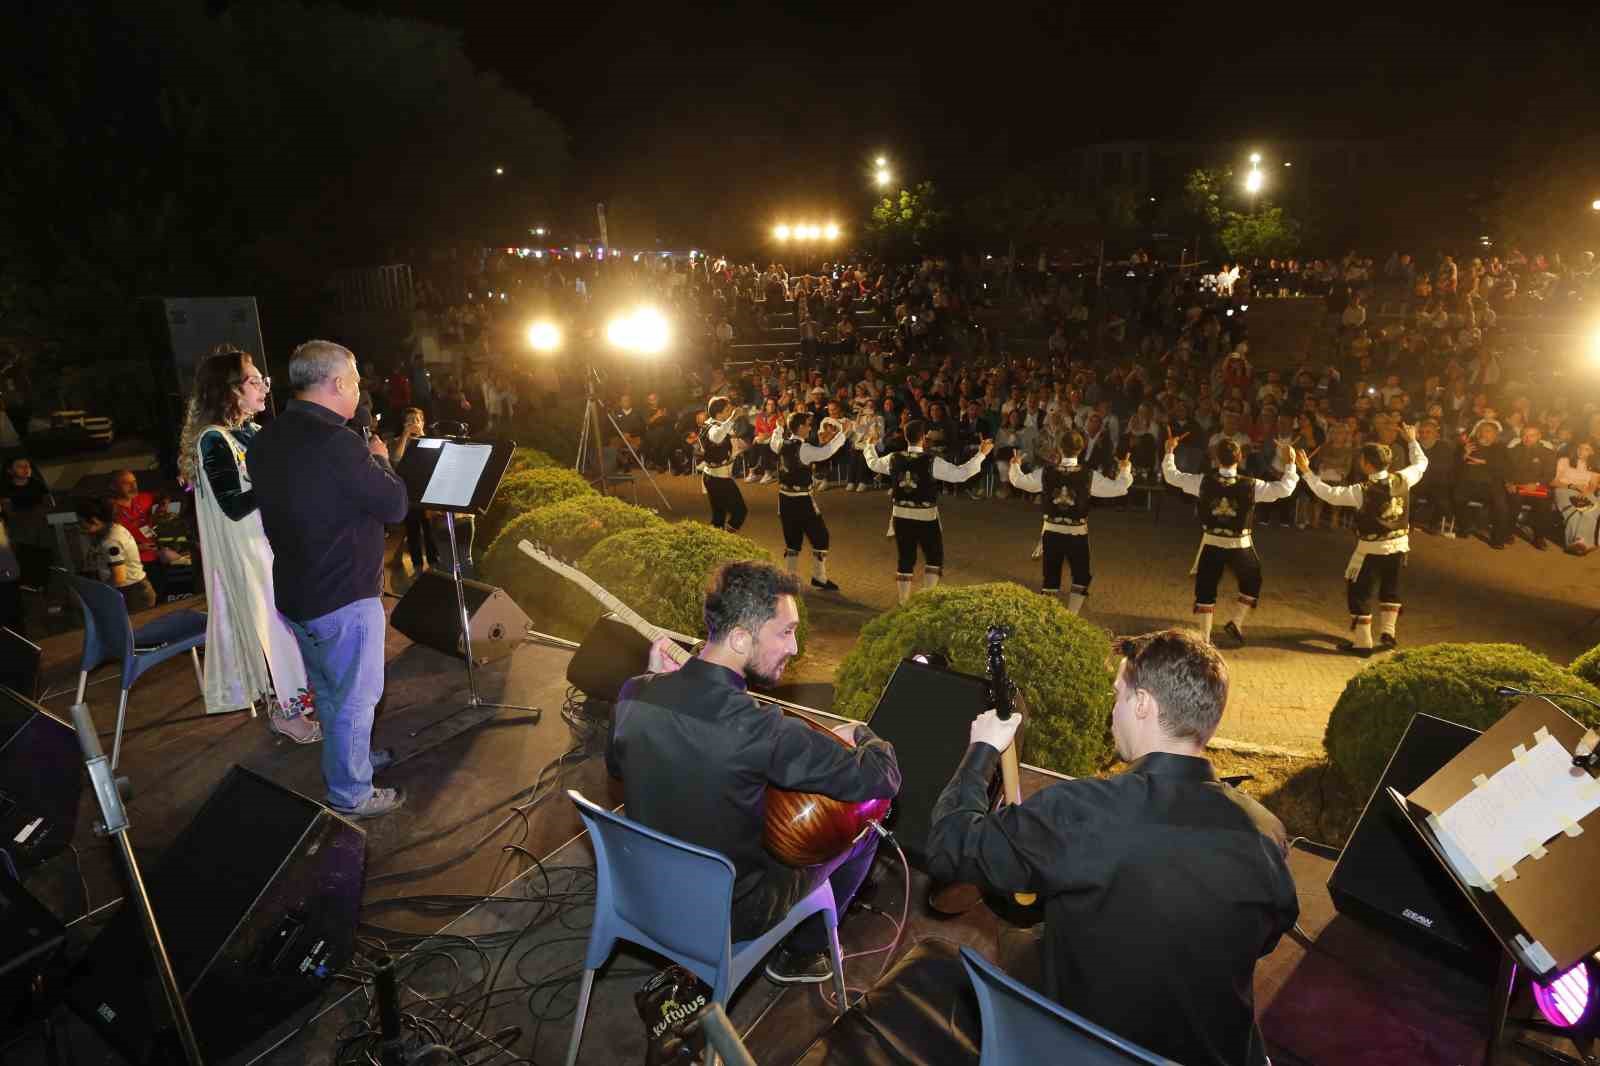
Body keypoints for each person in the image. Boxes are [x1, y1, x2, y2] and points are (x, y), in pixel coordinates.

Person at [925, 629, 1296, 1066]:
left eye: (1117, 694)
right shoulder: (1265, 831)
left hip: (1089, 1050)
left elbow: (949, 843)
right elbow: (1267, 936)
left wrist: (982, 748)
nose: (1113, 709)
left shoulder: (1082, 811)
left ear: (1142, 704)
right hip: (1214, 1053)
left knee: (1014, 944)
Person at [607, 561, 900, 983]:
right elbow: (881, 777)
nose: (795, 648)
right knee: (865, 829)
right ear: (741, 638)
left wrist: (653, 677)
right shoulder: (760, 728)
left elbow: (618, 767)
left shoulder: (635, 692)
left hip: (641, 888)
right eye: (786, 632)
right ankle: (801, 955)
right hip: (730, 913)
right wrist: (863, 733)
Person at [248, 340, 409, 817]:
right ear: (339, 383)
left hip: (298, 593)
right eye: (356, 379)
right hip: (342, 595)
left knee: (333, 692)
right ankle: (351, 792)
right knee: (357, 698)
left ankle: (350, 759)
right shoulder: (338, 442)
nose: (359, 389)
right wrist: (379, 458)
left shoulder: (268, 438)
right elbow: (395, 505)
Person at [177, 348, 321, 740]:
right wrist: (276, 479)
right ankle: (288, 714)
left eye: (262, 379)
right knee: (272, 634)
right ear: (230, 392)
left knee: (292, 629)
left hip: (275, 546)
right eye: (254, 381)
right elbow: (235, 505)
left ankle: (296, 706)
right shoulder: (214, 441)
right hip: (251, 554)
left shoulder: (254, 432)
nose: (263, 387)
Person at [1295, 425, 1427, 656]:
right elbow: (1422, 464)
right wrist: (1413, 441)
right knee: (1390, 588)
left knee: (1359, 591)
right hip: (1399, 546)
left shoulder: (1362, 490)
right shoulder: (1403, 478)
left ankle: (1363, 643)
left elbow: (1328, 494)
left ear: (1366, 463)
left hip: (1371, 549)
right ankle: (1388, 633)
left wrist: (1306, 471)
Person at [1162, 434, 1298, 646]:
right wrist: (1290, 463)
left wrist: (1170, 451)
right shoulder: (1252, 485)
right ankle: (1236, 622)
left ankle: (1205, 640)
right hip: (1240, 545)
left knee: (1206, 589)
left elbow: (1172, 476)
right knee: (1252, 582)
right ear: (1240, 457)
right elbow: (1285, 489)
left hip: (1212, 542)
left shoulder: (1203, 481)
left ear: (1216, 458)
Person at [862, 419, 993, 603]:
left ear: (906, 437)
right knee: (934, 557)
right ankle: (927, 597)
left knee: (905, 558)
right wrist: (981, 454)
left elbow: (872, 463)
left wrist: (869, 445)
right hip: (926, 517)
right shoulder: (931, 461)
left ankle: (903, 603)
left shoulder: (893, 458)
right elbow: (960, 474)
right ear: (924, 438)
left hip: (900, 516)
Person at [1005, 429, 1132, 614]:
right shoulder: (1088, 475)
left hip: (1052, 531)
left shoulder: (1046, 472)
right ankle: (1071, 616)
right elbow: (1119, 488)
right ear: (1081, 449)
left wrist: (1015, 465)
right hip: (1076, 532)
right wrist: (1125, 469)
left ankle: (1048, 618)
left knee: (1051, 577)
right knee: (1081, 575)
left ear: (1059, 448)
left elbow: (1019, 481)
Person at [769, 411, 851, 592]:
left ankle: (790, 580)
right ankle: (819, 578)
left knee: (792, 540)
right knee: (821, 537)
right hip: (802, 500)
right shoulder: (803, 448)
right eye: (807, 424)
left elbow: (773, 442)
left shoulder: (781, 443)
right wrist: (842, 434)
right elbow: (826, 452)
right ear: (799, 427)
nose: (810, 427)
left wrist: (778, 428)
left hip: (784, 499)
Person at [75, 497, 156, 612]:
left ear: (94, 520)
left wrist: (99, 591)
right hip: (136, 590)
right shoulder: (114, 528)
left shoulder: (111, 541)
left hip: (132, 594)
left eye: (82, 522)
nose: (80, 526)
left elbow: (119, 578)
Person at [387, 407, 438, 576]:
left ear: (423, 422)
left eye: (417, 420)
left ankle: (434, 564)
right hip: (408, 493)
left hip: (427, 493)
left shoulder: (428, 440)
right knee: (413, 530)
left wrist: (421, 434)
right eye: (410, 420)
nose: (414, 424)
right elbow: (395, 458)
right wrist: (405, 436)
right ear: (403, 424)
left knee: (430, 530)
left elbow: (433, 458)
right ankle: (417, 566)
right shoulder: (397, 441)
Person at [1449, 419, 1510, 547]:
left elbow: (1505, 468)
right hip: (1468, 483)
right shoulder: (1468, 445)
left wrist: (1485, 463)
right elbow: (1454, 466)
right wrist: (1464, 455)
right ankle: (1464, 527)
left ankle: (1497, 538)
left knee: (1501, 505)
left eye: (1488, 431)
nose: (1484, 434)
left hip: (1491, 485)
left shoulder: (1501, 448)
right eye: (1481, 431)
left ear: (1495, 435)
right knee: (1457, 497)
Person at [1, 457, 54, 593]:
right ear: (10, 470)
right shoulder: (5, 488)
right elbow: (9, 510)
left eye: (28, 466)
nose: (26, 469)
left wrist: (37, 513)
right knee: (25, 545)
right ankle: (29, 581)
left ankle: (42, 581)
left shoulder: (37, 484)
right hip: (19, 526)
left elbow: (49, 504)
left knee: (43, 545)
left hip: (40, 523)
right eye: (20, 466)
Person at [697, 396, 748, 532]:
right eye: (728, 410)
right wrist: (732, 419)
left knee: (719, 516)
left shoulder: (713, 423)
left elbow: (726, 441)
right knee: (740, 512)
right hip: (718, 478)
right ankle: (725, 539)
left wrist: (738, 446)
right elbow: (717, 437)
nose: (730, 412)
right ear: (719, 413)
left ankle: (718, 542)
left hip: (714, 476)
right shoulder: (713, 428)